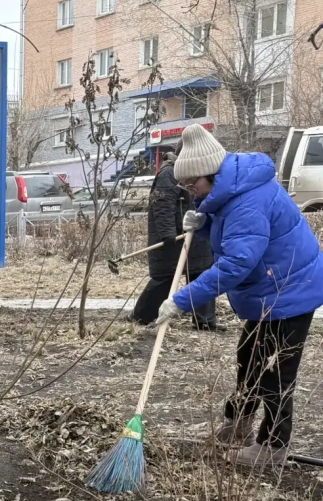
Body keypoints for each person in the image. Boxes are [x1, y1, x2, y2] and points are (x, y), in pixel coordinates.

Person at [161, 123, 323, 468]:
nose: (192, 191)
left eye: (193, 184)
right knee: (248, 356)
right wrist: (203, 223)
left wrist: (181, 299)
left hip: (292, 288)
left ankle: (273, 446)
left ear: (212, 173)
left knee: (277, 370)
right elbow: (230, 229)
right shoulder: (230, 188)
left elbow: (236, 263)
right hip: (271, 286)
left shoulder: (246, 201)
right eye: (186, 186)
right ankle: (239, 425)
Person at [130, 147, 217, 329]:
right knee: (164, 279)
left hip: (196, 237)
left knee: (201, 276)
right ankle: (140, 317)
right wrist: (167, 234)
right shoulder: (169, 173)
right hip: (174, 239)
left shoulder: (202, 173)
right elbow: (162, 204)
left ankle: (205, 321)